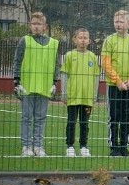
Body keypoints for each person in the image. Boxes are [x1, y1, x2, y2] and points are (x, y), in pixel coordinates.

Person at [12, 12, 60, 157]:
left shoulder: (53, 43)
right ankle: (26, 147)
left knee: (40, 118)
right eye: (34, 24)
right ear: (30, 25)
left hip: (44, 88)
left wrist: (54, 83)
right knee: (26, 118)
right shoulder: (24, 40)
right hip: (27, 87)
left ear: (45, 27)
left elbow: (56, 65)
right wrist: (17, 81)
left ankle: (38, 146)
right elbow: (17, 61)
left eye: (39, 24)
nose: (36, 26)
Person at [101, 9, 129, 157]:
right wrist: (118, 81)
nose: (118, 24)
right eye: (116, 21)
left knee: (127, 117)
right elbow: (106, 63)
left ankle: (124, 145)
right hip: (114, 86)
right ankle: (114, 147)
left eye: (121, 21)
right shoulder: (109, 41)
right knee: (114, 116)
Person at [61, 28, 97, 157]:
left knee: (84, 123)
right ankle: (70, 146)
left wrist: (95, 95)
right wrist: (64, 92)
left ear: (89, 40)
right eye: (80, 37)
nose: (83, 40)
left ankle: (83, 146)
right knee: (71, 122)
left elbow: (96, 76)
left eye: (85, 38)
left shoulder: (92, 56)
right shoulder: (69, 55)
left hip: (87, 97)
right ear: (74, 39)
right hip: (73, 96)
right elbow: (64, 74)